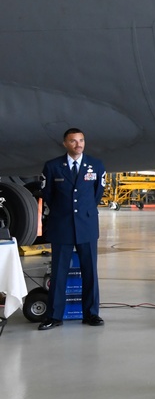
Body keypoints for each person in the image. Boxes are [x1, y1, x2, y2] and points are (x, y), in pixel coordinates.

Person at [37, 128, 106, 330]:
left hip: (86, 224)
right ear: (65, 143)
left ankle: (91, 314)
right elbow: (48, 193)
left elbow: (97, 194)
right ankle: (54, 316)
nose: (79, 145)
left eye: (82, 140)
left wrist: (82, 212)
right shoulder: (52, 167)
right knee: (59, 272)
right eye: (73, 141)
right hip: (62, 225)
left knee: (90, 271)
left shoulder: (96, 165)